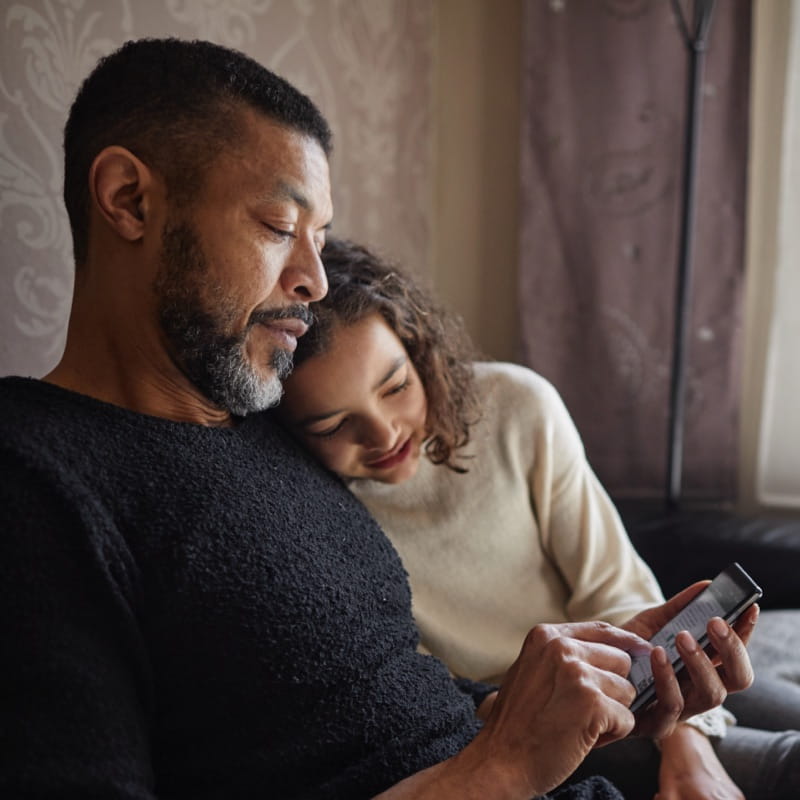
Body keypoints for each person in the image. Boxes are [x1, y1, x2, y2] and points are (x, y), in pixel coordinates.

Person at [0, 38, 757, 800]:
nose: (314, 281)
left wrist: (576, 700)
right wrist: (497, 767)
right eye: (275, 226)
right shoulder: (35, 479)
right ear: (130, 200)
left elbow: (387, 704)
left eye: (319, 240)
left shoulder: (270, 432)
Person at [279, 237, 800, 800]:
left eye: (397, 386)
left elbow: (614, 588)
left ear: (416, 345)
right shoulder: (311, 520)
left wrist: (686, 740)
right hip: (523, 720)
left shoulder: (516, 405)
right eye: (333, 426)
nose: (383, 434)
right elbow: (423, 694)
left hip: (632, 662)